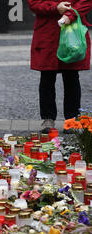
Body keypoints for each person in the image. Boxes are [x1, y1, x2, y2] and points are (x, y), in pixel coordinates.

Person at [28, 0, 92, 134]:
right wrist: (55, 8)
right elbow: (34, 4)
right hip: (48, 33)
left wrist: (70, 14)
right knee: (47, 77)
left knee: (71, 77)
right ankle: (48, 118)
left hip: (71, 30)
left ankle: (72, 119)